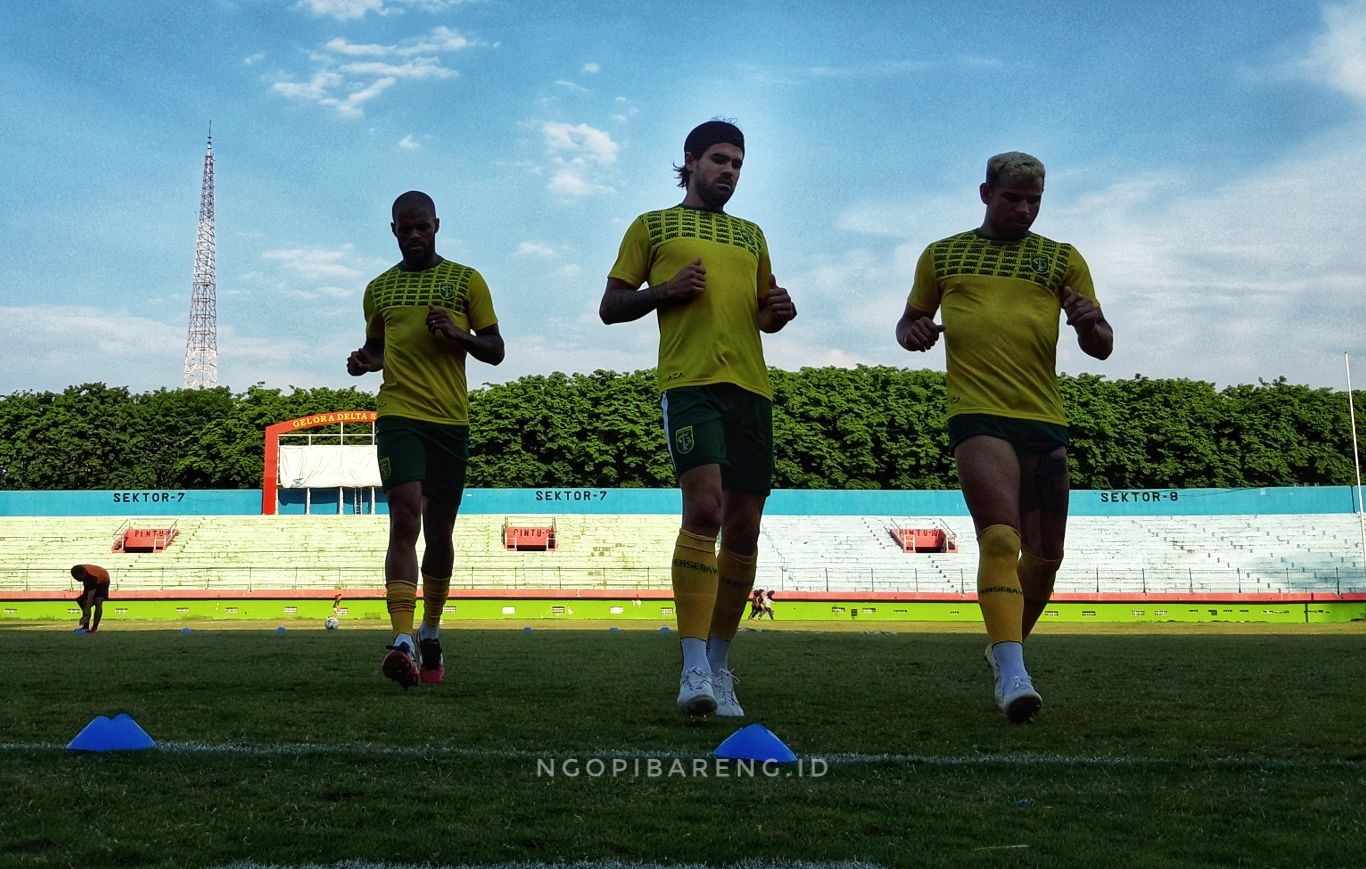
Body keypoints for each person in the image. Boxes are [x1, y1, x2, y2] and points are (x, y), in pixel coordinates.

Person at [894, 152, 1113, 723]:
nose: (1024, 209)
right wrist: (914, 330)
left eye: (1034, 200)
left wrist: (1090, 321)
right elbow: (909, 322)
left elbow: (1102, 345)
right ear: (986, 193)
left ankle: (1003, 649)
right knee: (999, 539)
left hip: (1043, 417)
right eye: (1013, 198)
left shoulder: (1062, 259)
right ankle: (1015, 674)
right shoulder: (943, 255)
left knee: (1047, 556)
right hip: (977, 414)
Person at [600, 120, 797, 718]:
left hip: (752, 390)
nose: (729, 171)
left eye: (738, 163)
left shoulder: (752, 235)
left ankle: (718, 665)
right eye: (719, 160)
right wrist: (666, 289)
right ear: (689, 161)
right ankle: (691, 668)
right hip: (690, 386)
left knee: (744, 529)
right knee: (705, 510)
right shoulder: (652, 225)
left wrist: (778, 313)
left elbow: (762, 314)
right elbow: (612, 306)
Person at [347, 190, 504, 688]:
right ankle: (401, 638)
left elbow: (496, 351)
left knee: (439, 533)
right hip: (399, 415)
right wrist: (362, 362)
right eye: (404, 228)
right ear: (393, 229)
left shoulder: (467, 280)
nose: (414, 236)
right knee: (403, 515)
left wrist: (459, 334)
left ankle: (430, 631)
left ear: (437, 225)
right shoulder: (378, 290)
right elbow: (376, 349)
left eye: (423, 227)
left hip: (450, 421)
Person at [71, 564, 110, 633]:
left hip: (103, 580)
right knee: (83, 601)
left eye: (77, 578)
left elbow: (90, 598)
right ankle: (85, 627)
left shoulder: (91, 578)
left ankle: (94, 627)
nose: (76, 580)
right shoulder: (81, 571)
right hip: (94, 575)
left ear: (82, 575)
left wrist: (85, 616)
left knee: (98, 601)